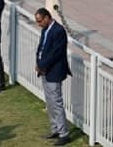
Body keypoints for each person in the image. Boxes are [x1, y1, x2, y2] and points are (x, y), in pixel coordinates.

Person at [34, 8, 71, 146]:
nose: (39, 24)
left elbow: (55, 53)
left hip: (54, 71)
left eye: (39, 21)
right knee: (49, 102)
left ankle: (64, 134)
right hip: (45, 70)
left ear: (47, 18)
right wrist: (39, 63)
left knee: (56, 102)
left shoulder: (58, 31)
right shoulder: (46, 29)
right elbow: (41, 48)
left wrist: (42, 65)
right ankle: (55, 128)